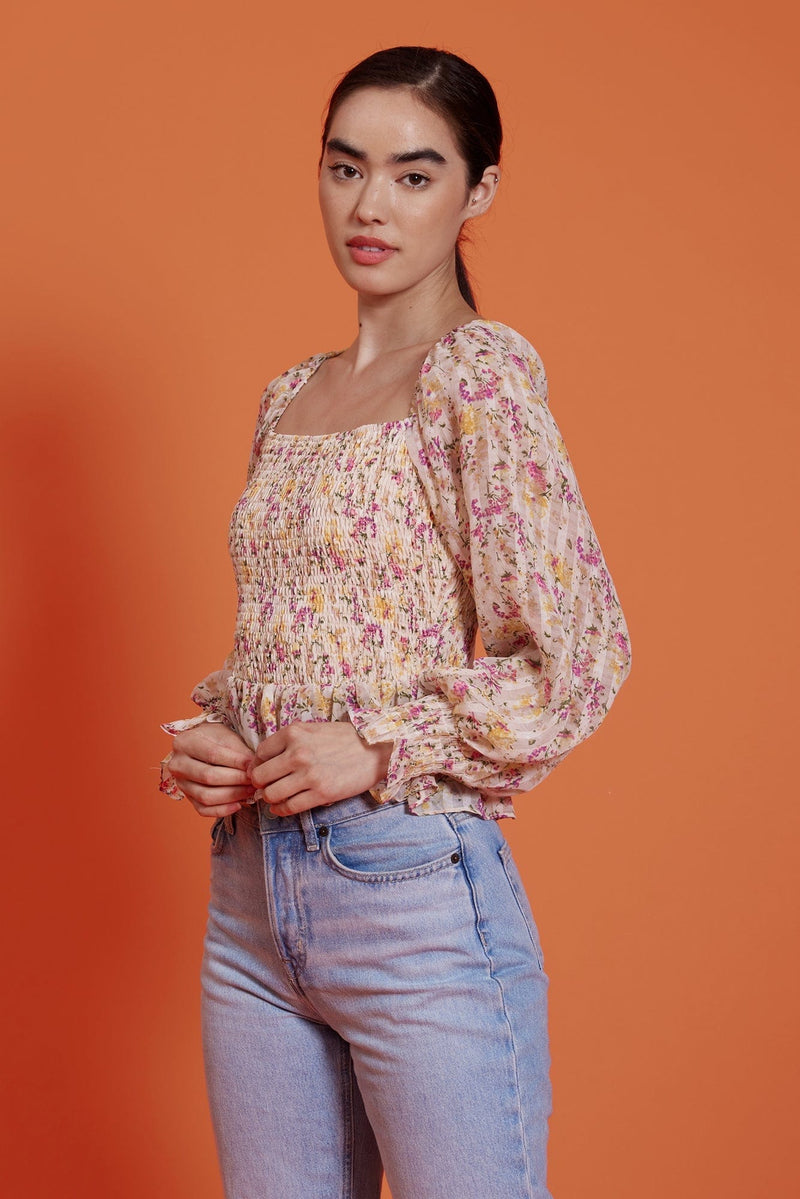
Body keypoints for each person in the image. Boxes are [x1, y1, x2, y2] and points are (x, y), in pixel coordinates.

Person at [159, 45, 631, 1199]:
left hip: (405, 889)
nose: (369, 205)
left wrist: (377, 744)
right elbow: (308, 627)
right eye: (345, 168)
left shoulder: (476, 375)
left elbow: (577, 654)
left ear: (477, 191)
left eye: (413, 175)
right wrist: (217, 738)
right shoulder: (290, 394)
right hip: (250, 902)